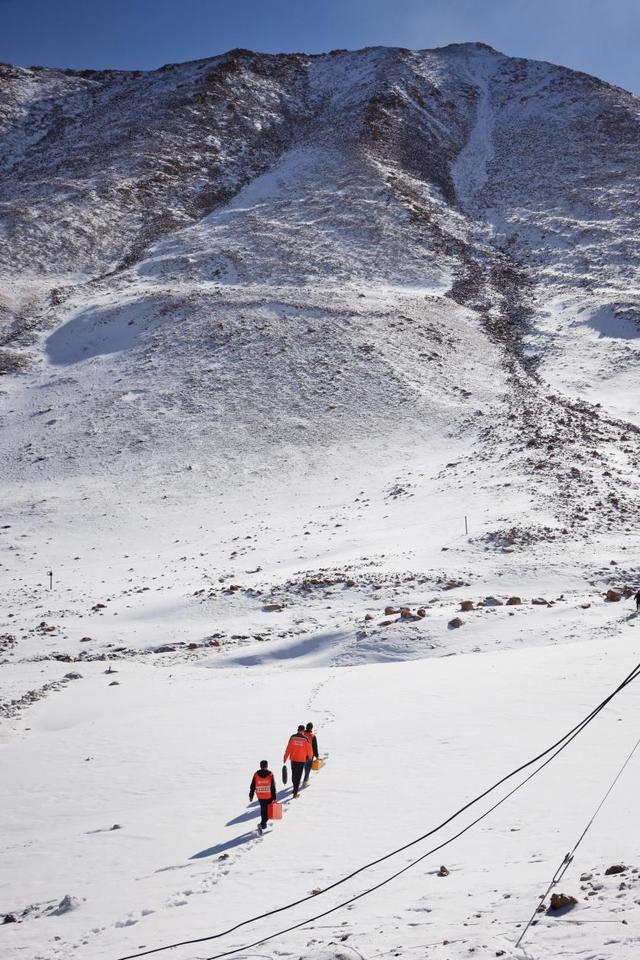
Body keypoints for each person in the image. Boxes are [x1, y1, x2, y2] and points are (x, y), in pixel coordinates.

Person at [283, 725, 312, 798]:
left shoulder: (292, 737)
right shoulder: (306, 739)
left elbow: (288, 748)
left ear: (298, 730)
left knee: (294, 774)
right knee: (298, 776)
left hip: (293, 759)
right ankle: (295, 792)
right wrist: (310, 757)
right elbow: (309, 750)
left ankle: (295, 788)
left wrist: (285, 757)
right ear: (303, 730)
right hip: (301, 760)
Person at [249, 760, 277, 834]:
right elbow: (273, 787)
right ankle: (262, 824)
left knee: (263, 810)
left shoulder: (256, 774)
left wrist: (251, 795)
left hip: (260, 796)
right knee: (269, 812)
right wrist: (274, 798)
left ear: (260, 766)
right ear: (267, 766)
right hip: (268, 796)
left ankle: (263, 825)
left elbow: (252, 786)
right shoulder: (270, 774)